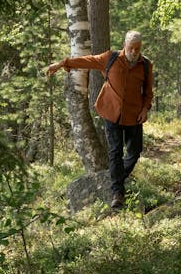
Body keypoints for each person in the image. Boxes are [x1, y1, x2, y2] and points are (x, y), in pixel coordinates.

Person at [46, 30, 154, 210]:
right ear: (124, 46)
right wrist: (61, 64)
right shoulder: (110, 58)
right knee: (115, 152)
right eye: (131, 48)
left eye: (138, 49)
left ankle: (117, 176)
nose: (134, 52)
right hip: (111, 113)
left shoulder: (145, 65)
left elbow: (148, 92)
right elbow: (87, 60)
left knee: (135, 152)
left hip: (134, 115)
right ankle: (117, 193)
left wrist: (145, 109)